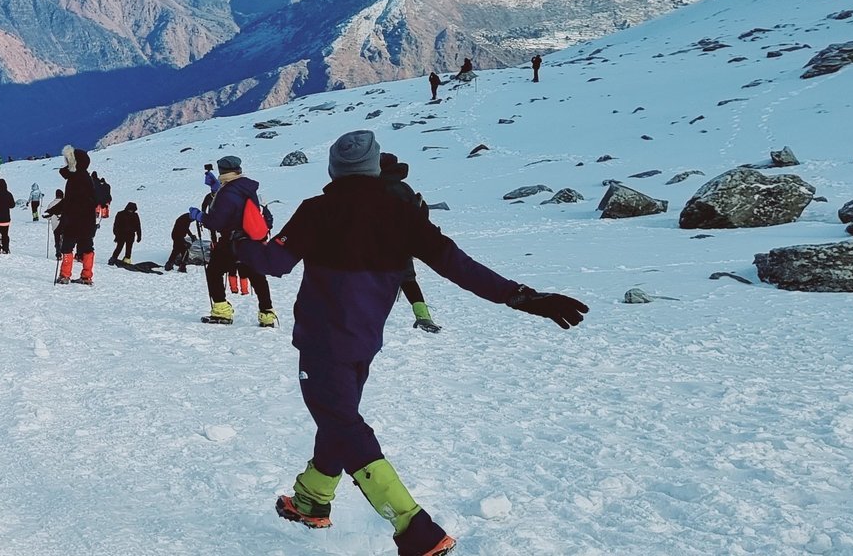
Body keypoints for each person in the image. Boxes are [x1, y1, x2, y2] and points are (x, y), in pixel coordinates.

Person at [215, 130, 588, 556]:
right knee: (338, 417)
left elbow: (274, 262)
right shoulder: (403, 213)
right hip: (364, 338)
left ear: (334, 170)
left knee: (343, 424)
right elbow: (456, 263)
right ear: (374, 167)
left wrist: (239, 239)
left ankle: (415, 530)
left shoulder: (318, 210)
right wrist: (519, 295)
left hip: (322, 340)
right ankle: (311, 500)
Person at [203, 155, 276, 327]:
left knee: (214, 271)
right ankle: (267, 315)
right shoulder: (247, 188)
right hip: (252, 241)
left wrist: (199, 215)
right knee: (257, 277)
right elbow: (238, 207)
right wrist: (217, 190)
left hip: (232, 241)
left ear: (221, 172)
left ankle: (222, 311)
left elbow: (216, 222)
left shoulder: (227, 192)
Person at [380, 154, 441, 332]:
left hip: (377, 244)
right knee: (408, 280)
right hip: (404, 244)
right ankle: (423, 316)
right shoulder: (405, 188)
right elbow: (419, 213)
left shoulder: (373, 187)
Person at [46, 146, 100, 285]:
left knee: (67, 248)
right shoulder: (86, 178)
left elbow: (69, 201)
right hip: (87, 222)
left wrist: (54, 210)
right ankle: (87, 276)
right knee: (87, 247)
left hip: (73, 221)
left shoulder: (75, 179)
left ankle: (65, 275)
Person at [165, 208, 198, 272]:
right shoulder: (183, 220)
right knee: (181, 251)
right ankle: (178, 266)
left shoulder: (187, 218)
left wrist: (191, 235)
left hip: (178, 236)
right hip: (177, 236)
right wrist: (184, 242)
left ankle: (171, 265)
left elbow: (186, 228)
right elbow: (179, 232)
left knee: (177, 251)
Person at [109, 201, 141, 266]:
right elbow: (116, 225)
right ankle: (113, 259)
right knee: (119, 247)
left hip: (131, 235)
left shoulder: (135, 215)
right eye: (130, 209)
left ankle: (127, 260)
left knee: (129, 249)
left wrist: (139, 236)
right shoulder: (120, 214)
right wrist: (116, 235)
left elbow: (138, 226)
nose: (131, 211)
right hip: (121, 235)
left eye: (132, 210)